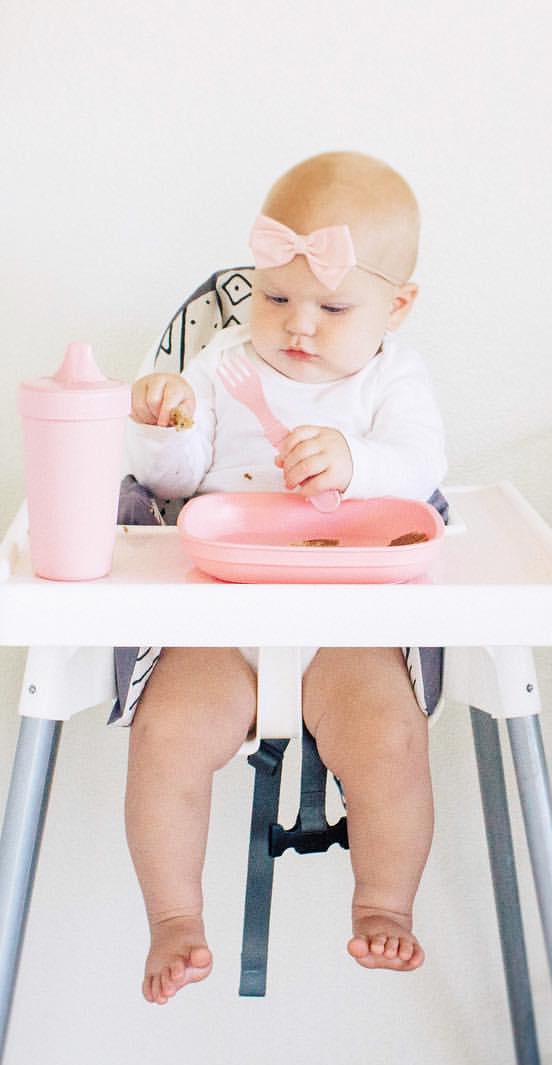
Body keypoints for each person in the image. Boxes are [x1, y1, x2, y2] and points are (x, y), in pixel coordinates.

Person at [122, 151, 447, 1005]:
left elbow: (420, 467)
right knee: (165, 740)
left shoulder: (392, 379)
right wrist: (163, 424)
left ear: (396, 307)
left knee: (393, 742)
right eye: (274, 298)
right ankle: (174, 918)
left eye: (333, 306)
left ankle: (385, 899)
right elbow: (170, 482)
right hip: (224, 606)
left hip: (346, 617)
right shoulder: (225, 364)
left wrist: (358, 459)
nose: (297, 326)